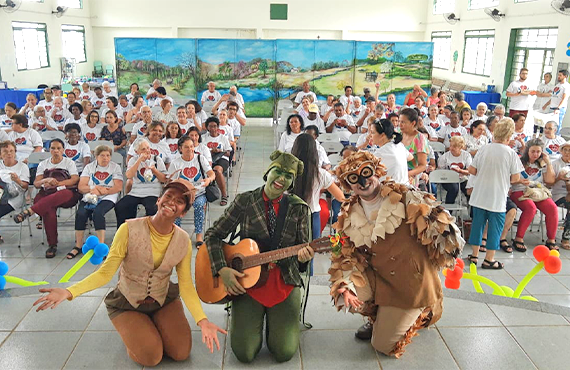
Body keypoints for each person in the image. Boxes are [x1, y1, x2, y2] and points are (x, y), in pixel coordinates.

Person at [34, 179, 226, 367]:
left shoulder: (183, 240)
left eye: (179, 201)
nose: (171, 203)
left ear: (183, 212)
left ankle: (152, 325)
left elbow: (185, 284)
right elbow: (105, 274)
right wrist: (69, 292)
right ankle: (136, 331)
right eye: (168, 196)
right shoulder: (128, 229)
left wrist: (202, 321)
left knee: (181, 353)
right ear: (159, 199)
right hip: (128, 302)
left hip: (163, 299)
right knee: (151, 357)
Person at [329, 150, 463, 357]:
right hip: (379, 277)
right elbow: (344, 256)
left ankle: (427, 308)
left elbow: (446, 230)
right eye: (354, 178)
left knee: (382, 346)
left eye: (367, 172)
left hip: (411, 284)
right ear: (348, 184)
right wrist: (345, 287)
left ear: (377, 171)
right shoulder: (349, 212)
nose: (363, 182)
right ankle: (380, 317)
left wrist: (444, 253)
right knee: (343, 297)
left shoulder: (406, 197)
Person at [204, 150, 313, 363]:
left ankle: (277, 322)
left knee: (283, 352)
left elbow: (303, 252)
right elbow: (213, 235)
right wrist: (222, 269)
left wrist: (303, 258)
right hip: (248, 281)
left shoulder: (299, 208)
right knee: (244, 353)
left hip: (284, 280)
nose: (282, 178)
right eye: (278, 172)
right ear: (268, 173)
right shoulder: (245, 201)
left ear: (291, 183)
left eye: (288, 176)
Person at [467, 118, 523, 268]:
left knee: (477, 225)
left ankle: (474, 255)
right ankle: (489, 259)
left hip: (479, 194)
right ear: (509, 135)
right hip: (497, 196)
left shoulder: (484, 148)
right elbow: (516, 177)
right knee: (495, 227)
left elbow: (471, 170)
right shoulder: (511, 153)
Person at [13, 138, 81, 258]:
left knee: (60, 195)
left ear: (63, 150)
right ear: (49, 150)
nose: (56, 151)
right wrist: (46, 180)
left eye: (58, 148)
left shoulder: (69, 163)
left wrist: (57, 184)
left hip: (65, 192)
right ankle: (52, 245)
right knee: (48, 209)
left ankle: (30, 210)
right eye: (53, 148)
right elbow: (37, 183)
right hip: (46, 193)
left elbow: (75, 179)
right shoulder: (43, 164)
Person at [68, 145, 123, 259]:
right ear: (96, 156)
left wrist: (104, 191)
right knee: (81, 213)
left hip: (108, 196)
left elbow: (118, 187)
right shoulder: (89, 167)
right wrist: (95, 188)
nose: (105, 158)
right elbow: (81, 187)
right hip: (91, 195)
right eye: (102, 155)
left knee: (98, 212)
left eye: (108, 155)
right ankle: (78, 245)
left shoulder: (115, 167)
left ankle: (101, 246)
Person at [291, 134, 345, 239]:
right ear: (314, 152)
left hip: (290, 214)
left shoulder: (287, 171)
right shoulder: (321, 173)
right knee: (310, 250)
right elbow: (340, 197)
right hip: (312, 216)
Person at [510, 138, 558, 251]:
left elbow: (550, 181)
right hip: (519, 190)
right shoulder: (519, 162)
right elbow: (510, 180)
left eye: (538, 152)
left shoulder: (542, 164)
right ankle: (519, 238)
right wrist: (520, 181)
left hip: (537, 191)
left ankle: (551, 239)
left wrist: (548, 163)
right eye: (533, 151)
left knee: (552, 208)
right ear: (527, 151)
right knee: (530, 208)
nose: (535, 154)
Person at [168, 136, 215, 247]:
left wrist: (209, 179)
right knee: (177, 206)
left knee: (199, 205)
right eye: (186, 147)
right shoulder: (176, 163)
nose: (190, 149)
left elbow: (212, 173)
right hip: (183, 194)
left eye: (191, 146)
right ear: (180, 149)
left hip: (199, 192)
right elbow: (170, 182)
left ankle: (199, 234)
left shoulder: (200, 159)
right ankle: (178, 233)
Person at [115, 138, 167, 226]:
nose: (147, 151)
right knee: (121, 206)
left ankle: (151, 231)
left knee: (152, 208)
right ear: (136, 151)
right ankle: (126, 230)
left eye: (148, 148)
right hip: (136, 191)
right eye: (143, 149)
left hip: (153, 191)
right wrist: (139, 160)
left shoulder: (157, 159)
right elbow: (129, 175)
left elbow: (164, 179)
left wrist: (154, 170)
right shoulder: (133, 160)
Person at [0, 141, 30, 244]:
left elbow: (25, 187)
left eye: (11, 151)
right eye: (5, 151)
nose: (9, 154)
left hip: (14, 198)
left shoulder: (22, 167)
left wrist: (17, 180)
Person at [367, 119, 412, 185]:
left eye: (373, 133)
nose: (370, 135)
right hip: (405, 187)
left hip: (391, 191)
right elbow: (410, 157)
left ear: (382, 135)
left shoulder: (380, 153)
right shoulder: (399, 145)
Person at [202, 117, 231, 206]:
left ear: (218, 127)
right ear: (207, 127)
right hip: (207, 159)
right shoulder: (203, 138)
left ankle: (224, 194)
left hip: (221, 158)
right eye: (210, 126)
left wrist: (220, 152)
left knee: (217, 171)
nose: (213, 129)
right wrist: (210, 152)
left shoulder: (223, 138)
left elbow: (229, 152)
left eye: (215, 126)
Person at [437, 136, 471, 204]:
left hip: (462, 178)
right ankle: (449, 211)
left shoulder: (466, 155)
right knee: (454, 188)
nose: (451, 148)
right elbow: (440, 171)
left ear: (461, 147)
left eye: (454, 146)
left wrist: (460, 171)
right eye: (451, 146)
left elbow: (469, 171)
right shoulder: (445, 156)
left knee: (470, 190)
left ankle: (471, 211)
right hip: (448, 179)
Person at [549, 141, 570, 249]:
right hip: (557, 194)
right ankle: (566, 237)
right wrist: (559, 178)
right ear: (561, 151)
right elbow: (549, 183)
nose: (567, 153)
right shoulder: (555, 164)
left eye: (569, 150)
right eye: (565, 150)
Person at [400, 108, 429, 186]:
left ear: (413, 123)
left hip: (410, 179)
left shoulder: (420, 139)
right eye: (400, 121)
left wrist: (407, 174)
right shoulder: (398, 135)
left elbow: (422, 165)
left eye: (403, 122)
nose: (400, 124)